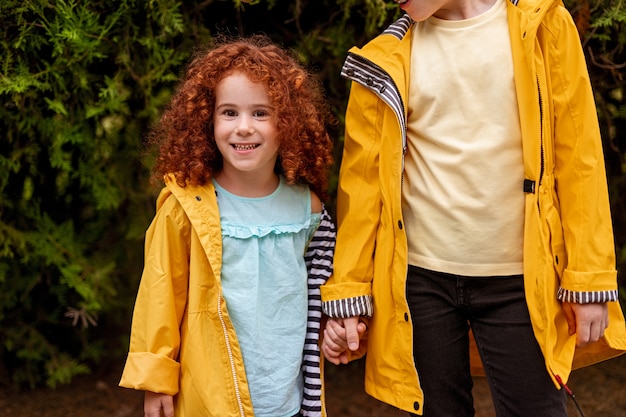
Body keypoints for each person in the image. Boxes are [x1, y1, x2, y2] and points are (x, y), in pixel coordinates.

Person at [320, 0, 626, 416]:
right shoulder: (384, 58)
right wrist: (350, 295)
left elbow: (580, 159)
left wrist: (589, 278)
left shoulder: (543, 26)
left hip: (521, 282)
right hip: (420, 285)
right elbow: (362, 190)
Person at [119, 35, 336, 417]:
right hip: (209, 397)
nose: (244, 128)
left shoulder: (308, 207)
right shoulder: (186, 206)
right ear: (208, 119)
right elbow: (160, 294)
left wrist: (339, 327)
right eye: (230, 112)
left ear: (287, 122)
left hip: (287, 396)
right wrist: (156, 379)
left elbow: (325, 283)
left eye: (261, 113)